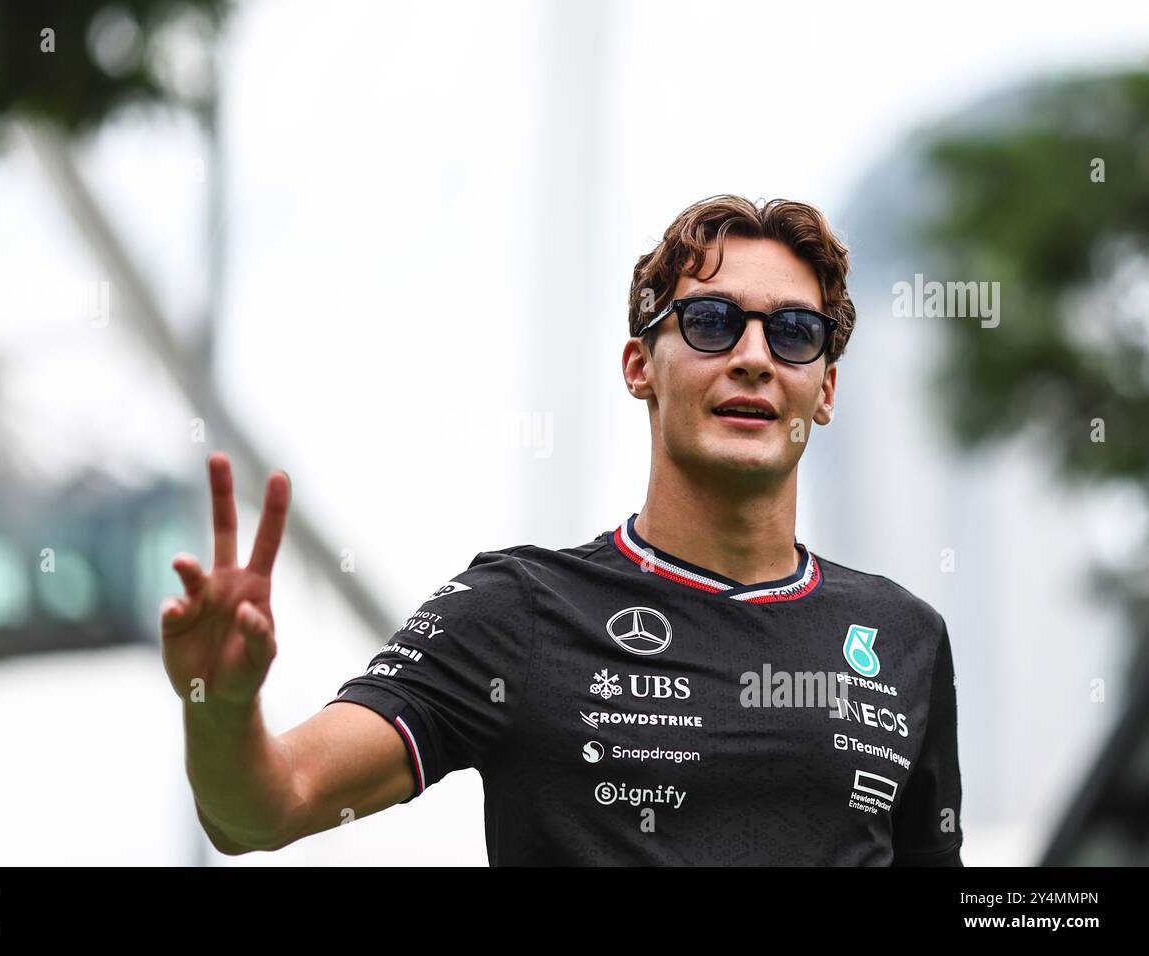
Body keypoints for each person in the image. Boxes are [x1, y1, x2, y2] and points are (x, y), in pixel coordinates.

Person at [159, 194, 964, 865]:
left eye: (793, 333)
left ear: (824, 389)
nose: (753, 357)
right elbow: (262, 812)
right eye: (713, 321)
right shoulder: (518, 610)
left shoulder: (904, 638)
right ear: (639, 365)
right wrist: (220, 705)